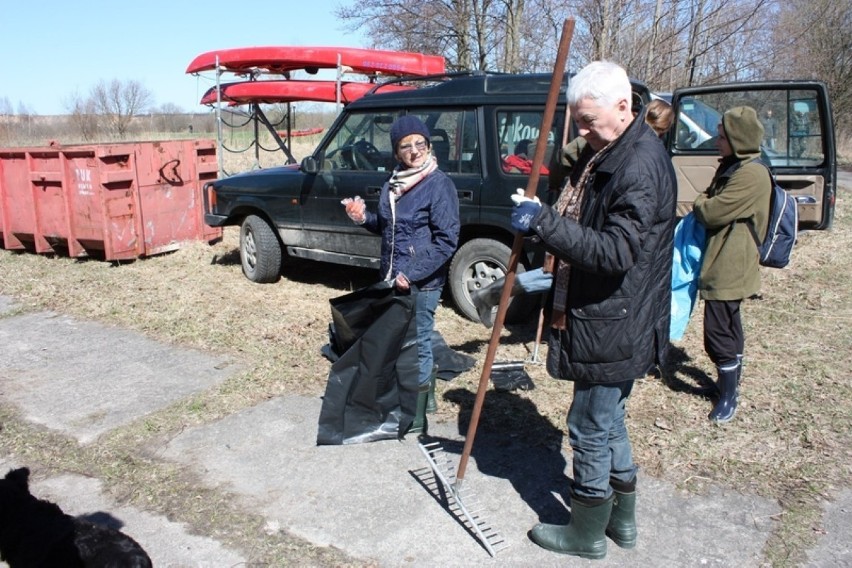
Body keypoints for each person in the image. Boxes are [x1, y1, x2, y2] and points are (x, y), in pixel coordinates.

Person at [509, 61, 676, 559]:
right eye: (575, 121)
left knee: (587, 426)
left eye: (587, 121)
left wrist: (546, 224)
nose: (580, 132)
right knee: (610, 421)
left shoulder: (638, 165)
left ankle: (585, 533)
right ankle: (620, 525)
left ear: (624, 107)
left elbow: (615, 251)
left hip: (615, 319)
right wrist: (543, 220)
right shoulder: (612, 151)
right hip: (615, 317)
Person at [470, 98, 674, 329]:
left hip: (599, 220)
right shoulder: (609, 136)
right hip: (585, 212)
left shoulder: (642, 148)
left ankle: (493, 293)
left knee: (563, 272)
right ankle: (492, 293)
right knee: (560, 271)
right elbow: (564, 157)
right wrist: (557, 187)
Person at [342, 115, 460, 434]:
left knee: (417, 343)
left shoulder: (438, 185)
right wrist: (362, 217)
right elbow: (388, 228)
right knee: (403, 341)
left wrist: (413, 272)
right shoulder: (393, 184)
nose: (414, 151)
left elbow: (447, 240)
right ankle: (426, 397)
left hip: (421, 281)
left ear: (428, 145)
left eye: (419, 144)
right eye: (405, 146)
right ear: (396, 152)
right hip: (393, 277)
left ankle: (416, 415)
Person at [692, 106, 770, 423]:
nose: (716, 142)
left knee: (718, 332)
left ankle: (727, 396)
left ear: (738, 139)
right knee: (729, 325)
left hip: (730, 263)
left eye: (722, 137)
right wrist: (704, 201)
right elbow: (709, 201)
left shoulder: (751, 173)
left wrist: (700, 203)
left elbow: (709, 211)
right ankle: (731, 384)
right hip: (725, 257)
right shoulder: (734, 166)